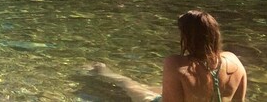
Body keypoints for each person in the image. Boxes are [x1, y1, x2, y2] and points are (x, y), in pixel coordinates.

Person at [90, 10, 247, 101]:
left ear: (188, 38)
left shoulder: (177, 64)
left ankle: (103, 71)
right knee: (154, 88)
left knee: (129, 85)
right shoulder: (234, 62)